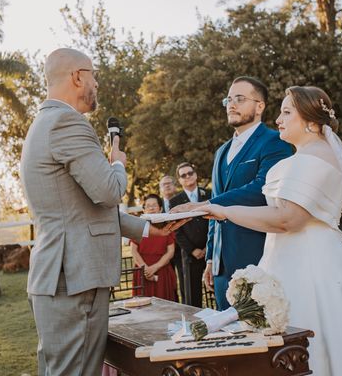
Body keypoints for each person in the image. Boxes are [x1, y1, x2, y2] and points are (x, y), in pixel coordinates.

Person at [176, 86, 342, 375]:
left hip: (313, 269)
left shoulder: (317, 157)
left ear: (313, 122)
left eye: (287, 112)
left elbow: (288, 219)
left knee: (316, 347)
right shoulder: (305, 155)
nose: (279, 119)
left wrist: (221, 211)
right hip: (285, 261)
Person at [20, 48, 183, 375]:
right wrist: (118, 165)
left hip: (61, 276)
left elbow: (82, 210)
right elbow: (108, 191)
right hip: (74, 278)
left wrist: (150, 229)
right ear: (78, 77)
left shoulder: (45, 123)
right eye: (93, 75)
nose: (96, 83)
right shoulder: (67, 122)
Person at [174, 76, 292, 310]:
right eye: (228, 99)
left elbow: (261, 189)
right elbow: (215, 206)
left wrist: (205, 204)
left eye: (240, 98)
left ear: (260, 106)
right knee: (229, 338)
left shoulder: (275, 142)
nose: (231, 104)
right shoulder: (221, 152)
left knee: (259, 333)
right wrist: (210, 256)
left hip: (257, 256)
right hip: (220, 266)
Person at [169, 162, 210, 307]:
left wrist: (207, 247)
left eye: (190, 173)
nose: (187, 177)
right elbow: (176, 230)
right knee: (192, 296)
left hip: (210, 251)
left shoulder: (209, 194)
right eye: (183, 175)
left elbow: (216, 223)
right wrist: (193, 250)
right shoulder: (174, 201)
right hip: (190, 255)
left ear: (196, 175)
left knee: (217, 290)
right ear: (179, 180)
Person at [130, 194, 178, 301]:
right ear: (144, 210)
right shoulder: (137, 227)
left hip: (162, 271)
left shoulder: (167, 227)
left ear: (160, 208)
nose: (151, 208)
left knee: (165, 305)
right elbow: (133, 251)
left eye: (154, 205)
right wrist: (145, 269)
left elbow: (170, 252)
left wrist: (154, 268)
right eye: (148, 206)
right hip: (142, 271)